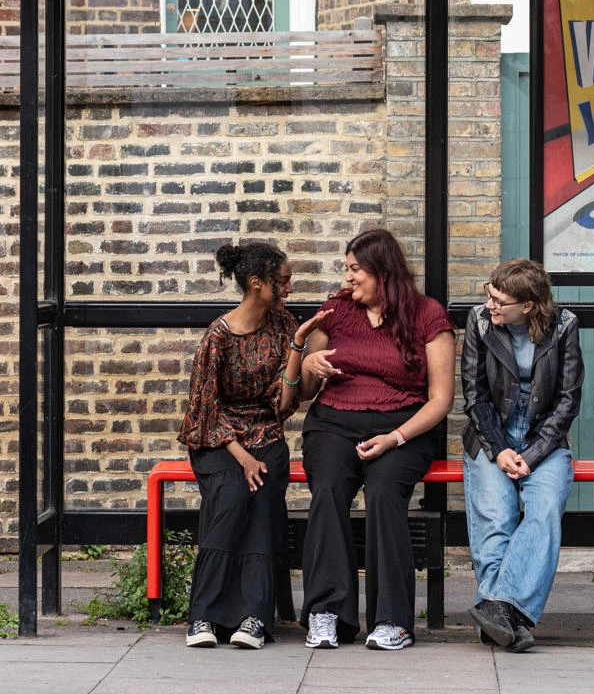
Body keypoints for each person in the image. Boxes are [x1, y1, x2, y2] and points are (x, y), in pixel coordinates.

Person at [297, 228, 456, 651]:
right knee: (329, 488)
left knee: (385, 492)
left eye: (356, 270)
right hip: (333, 422)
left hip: (403, 427)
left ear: (383, 272)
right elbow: (308, 389)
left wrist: (395, 437)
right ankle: (327, 613)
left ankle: (392, 620)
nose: (348, 279)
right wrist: (309, 360)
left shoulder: (428, 316)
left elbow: (441, 400)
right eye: (347, 270)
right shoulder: (335, 311)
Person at [177, 241, 328, 649]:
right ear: (257, 284)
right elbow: (204, 409)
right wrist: (241, 456)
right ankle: (203, 616)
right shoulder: (218, 336)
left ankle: (254, 619)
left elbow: (282, 403)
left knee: (262, 509)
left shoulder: (283, 326)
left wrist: (298, 344)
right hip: (217, 442)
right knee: (229, 499)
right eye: (283, 282)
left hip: (266, 436)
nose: (290, 289)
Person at [461, 259, 584, 653]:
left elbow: (567, 401)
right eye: (489, 294)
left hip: (544, 441)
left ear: (528, 306)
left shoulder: (564, 326)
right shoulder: (479, 321)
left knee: (544, 510)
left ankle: (499, 611)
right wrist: (500, 450)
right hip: (489, 437)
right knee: (495, 519)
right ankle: (509, 618)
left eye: (501, 301)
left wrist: (530, 454)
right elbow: (475, 396)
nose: (491, 305)